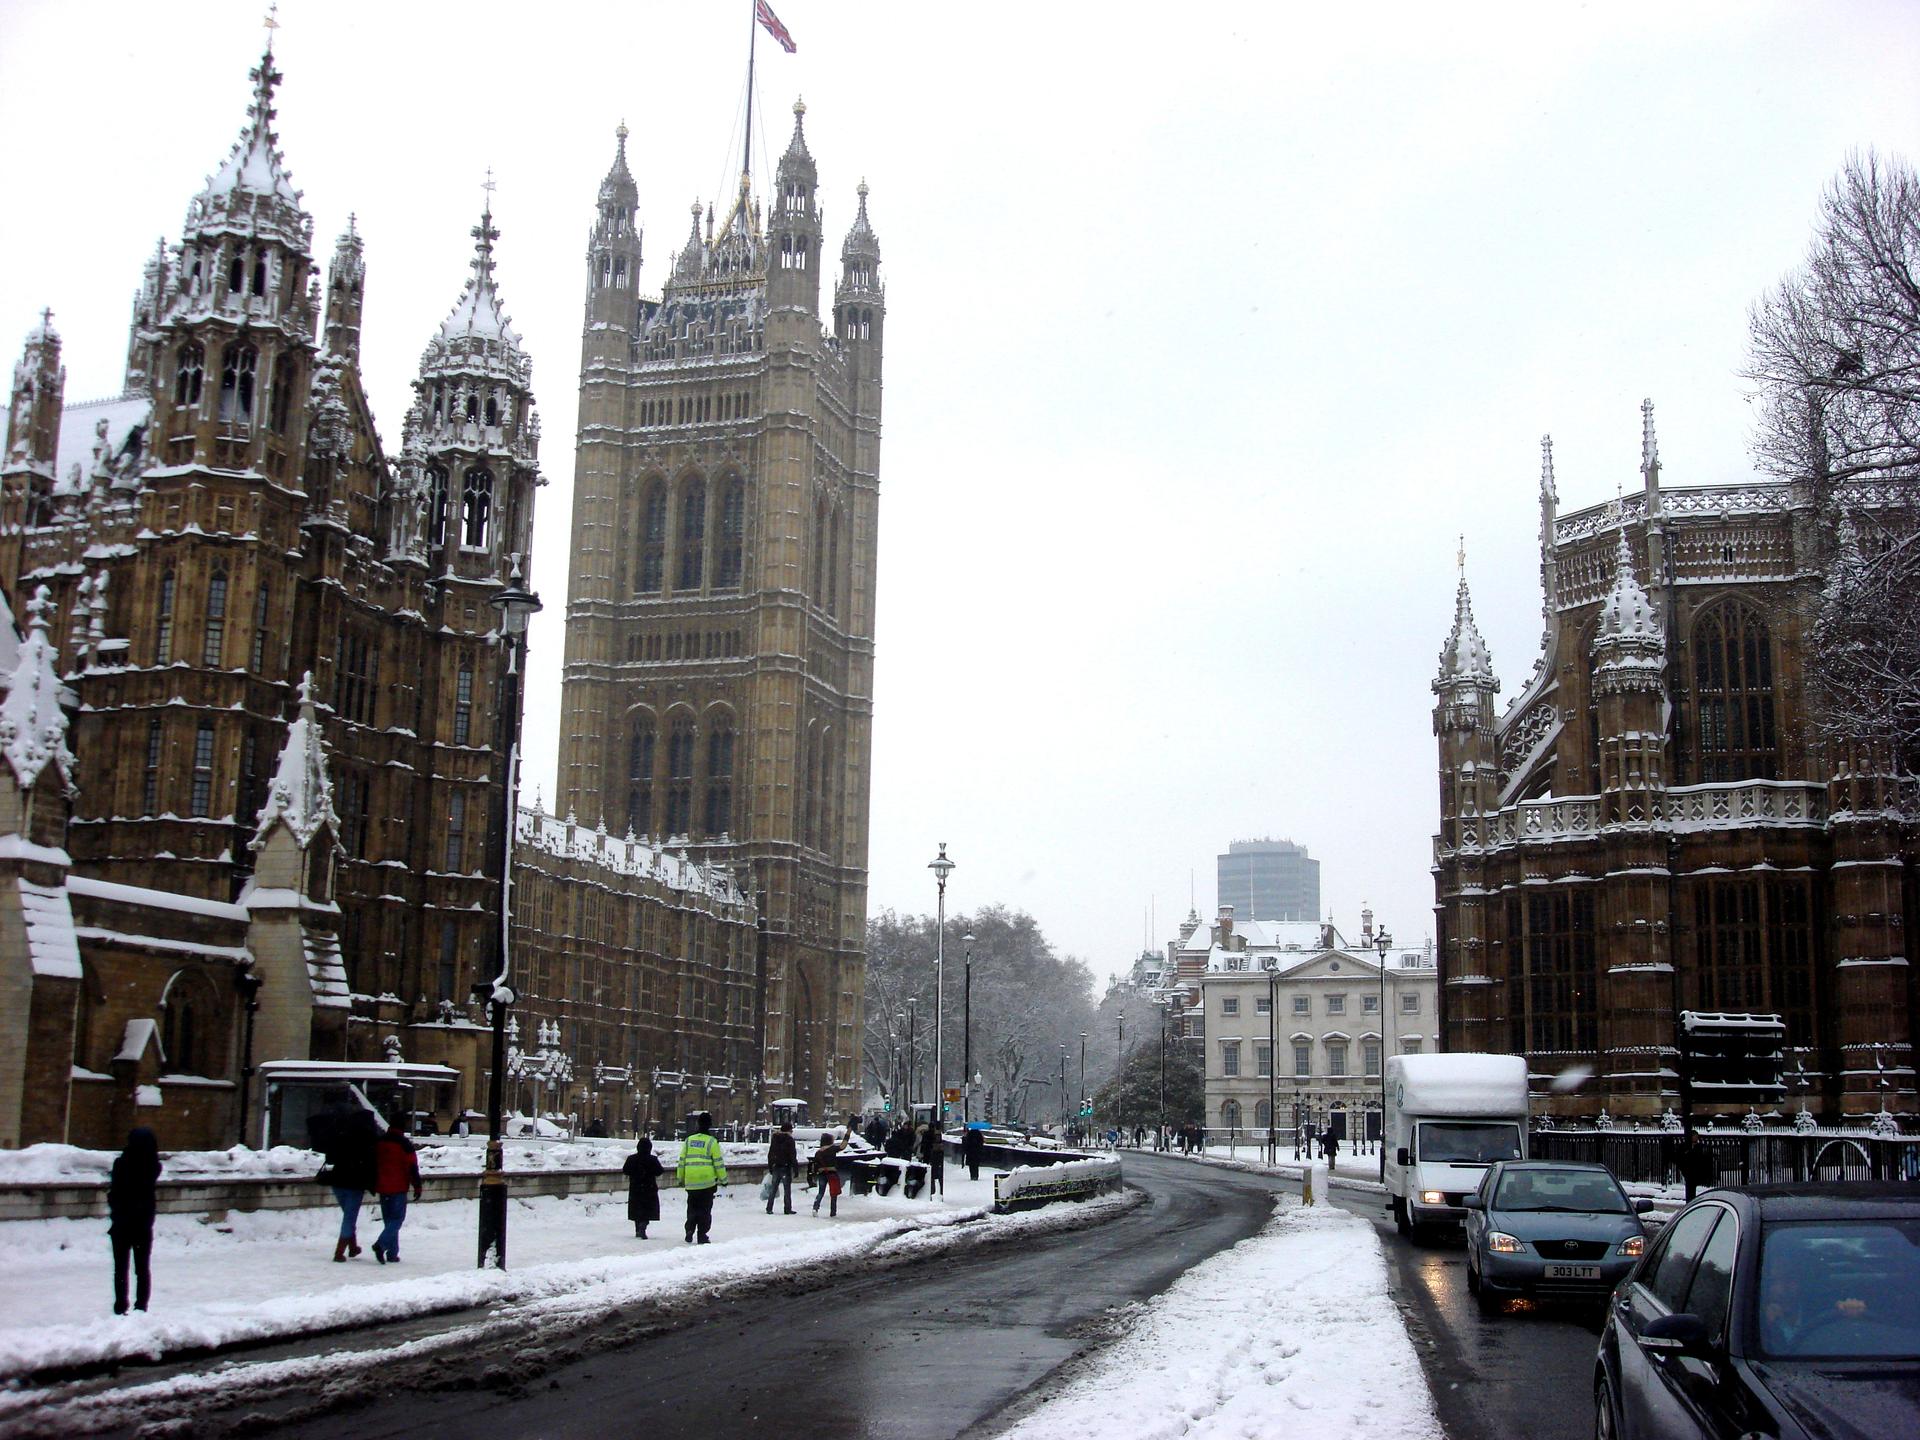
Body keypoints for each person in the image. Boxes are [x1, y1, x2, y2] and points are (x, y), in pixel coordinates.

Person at [313, 1095, 377, 1262]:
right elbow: (371, 1164)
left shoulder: (341, 1135)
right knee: (349, 1217)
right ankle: (339, 1252)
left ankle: (353, 1247)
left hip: (338, 1181)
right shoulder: (368, 1140)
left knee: (348, 1215)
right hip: (355, 1183)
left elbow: (331, 1158)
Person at [108, 1127, 161, 1315]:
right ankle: (141, 1307)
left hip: (122, 1224)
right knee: (142, 1269)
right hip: (142, 1225)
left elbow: (114, 1193)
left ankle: (121, 1306)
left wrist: (117, 1212)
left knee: (121, 1269)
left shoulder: (122, 1163)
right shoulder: (152, 1166)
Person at [371, 1114, 423, 1264]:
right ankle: (381, 1244)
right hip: (398, 1186)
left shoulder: (380, 1141)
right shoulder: (404, 1144)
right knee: (397, 1220)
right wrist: (417, 1186)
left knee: (389, 1221)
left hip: (382, 1185)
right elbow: (412, 1167)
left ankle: (392, 1253)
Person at [677, 1111, 727, 1243]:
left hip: (691, 1180)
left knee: (692, 1207)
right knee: (705, 1210)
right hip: (707, 1182)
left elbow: (682, 1160)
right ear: (710, 1125)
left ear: (697, 1123)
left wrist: (680, 1177)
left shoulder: (689, 1141)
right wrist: (723, 1179)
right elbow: (718, 1163)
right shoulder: (712, 1142)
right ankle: (702, 1234)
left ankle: (689, 1229)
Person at [623, 1135, 664, 1237]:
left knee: (637, 1209)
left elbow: (625, 1170)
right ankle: (643, 1225)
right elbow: (659, 1171)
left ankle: (638, 1228)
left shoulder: (631, 1159)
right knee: (647, 1209)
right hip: (649, 1188)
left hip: (635, 1188)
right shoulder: (652, 1159)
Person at [766, 1120, 798, 1215]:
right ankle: (787, 1208)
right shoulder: (790, 1140)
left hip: (776, 1166)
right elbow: (792, 1156)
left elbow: (770, 1153)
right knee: (787, 1189)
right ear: (789, 1131)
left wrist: (770, 1166)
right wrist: (796, 1169)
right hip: (786, 1167)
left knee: (773, 1188)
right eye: (791, 1130)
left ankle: (769, 1208)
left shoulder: (775, 1139)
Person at [810, 1130, 844, 1216]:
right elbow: (843, 1146)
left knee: (821, 1192)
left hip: (822, 1173)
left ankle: (815, 1207)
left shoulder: (818, 1152)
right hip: (832, 1173)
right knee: (833, 1193)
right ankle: (833, 1212)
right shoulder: (832, 1149)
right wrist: (847, 1134)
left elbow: (815, 1164)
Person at [920, 1119, 945, 1196]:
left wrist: (922, 1151)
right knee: (934, 1170)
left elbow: (923, 1143)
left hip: (927, 1153)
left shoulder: (926, 1134)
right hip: (934, 1154)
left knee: (927, 1166)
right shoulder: (937, 1135)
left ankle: (926, 1176)